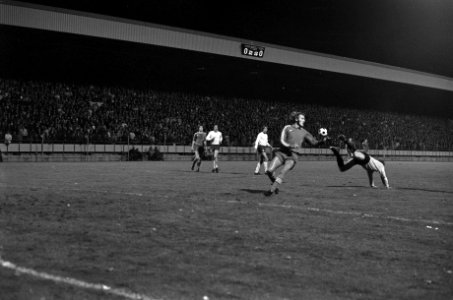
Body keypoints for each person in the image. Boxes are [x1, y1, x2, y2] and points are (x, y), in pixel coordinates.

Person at [264, 111, 328, 196]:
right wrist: (290, 145)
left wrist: (322, 142)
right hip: (282, 153)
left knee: (282, 172)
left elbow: (314, 142)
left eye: (304, 119)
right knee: (269, 171)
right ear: (296, 119)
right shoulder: (287, 128)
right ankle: (275, 186)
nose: (304, 120)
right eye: (302, 118)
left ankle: (271, 190)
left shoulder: (304, 132)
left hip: (293, 156)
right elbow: (282, 140)